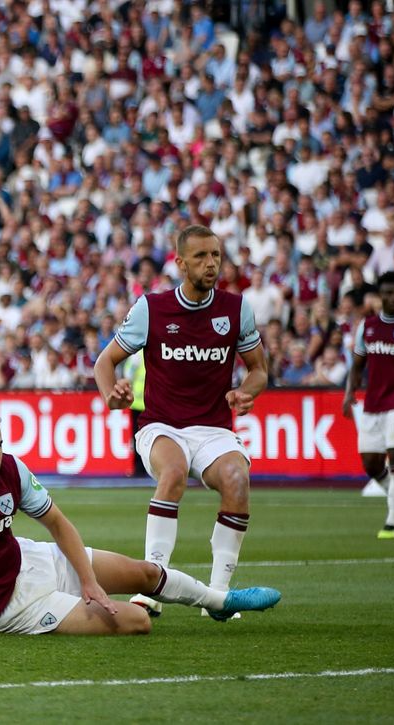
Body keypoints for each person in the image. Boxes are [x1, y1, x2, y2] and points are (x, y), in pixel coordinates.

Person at [0, 409, 282, 637]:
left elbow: (57, 521)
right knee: (137, 621)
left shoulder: (11, 470)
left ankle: (220, 602)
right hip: (11, 608)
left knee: (143, 572)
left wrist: (87, 578)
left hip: (34, 560)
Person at [93, 225, 269, 620]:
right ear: (180, 263)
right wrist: (110, 396)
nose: (211, 264)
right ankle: (150, 588)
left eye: (216, 256)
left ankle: (219, 597)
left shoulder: (236, 309)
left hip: (213, 429)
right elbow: (105, 362)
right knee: (172, 472)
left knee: (238, 480)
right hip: (161, 425)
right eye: (201, 257)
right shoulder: (151, 308)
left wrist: (247, 392)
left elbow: (259, 370)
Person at [343, 272, 394, 539]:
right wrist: (349, 393)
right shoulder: (368, 326)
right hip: (373, 402)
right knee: (372, 465)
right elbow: (357, 364)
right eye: (388, 293)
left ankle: (392, 523)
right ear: (380, 295)